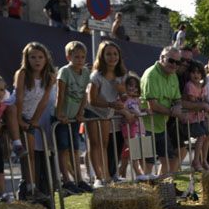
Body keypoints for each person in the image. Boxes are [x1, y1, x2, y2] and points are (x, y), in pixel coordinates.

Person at [13, 42, 57, 200]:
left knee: (30, 154)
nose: (37, 60)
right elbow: (18, 97)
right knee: (11, 108)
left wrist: (35, 120)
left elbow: (44, 101)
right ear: (27, 58)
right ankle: (15, 142)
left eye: (40, 57)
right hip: (15, 112)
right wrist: (18, 119)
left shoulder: (48, 77)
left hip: (30, 116)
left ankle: (32, 187)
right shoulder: (23, 73)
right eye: (32, 57)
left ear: (46, 59)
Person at [86, 40, 131, 187]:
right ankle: (98, 178)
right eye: (108, 54)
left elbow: (124, 96)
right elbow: (91, 100)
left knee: (104, 144)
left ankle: (106, 176)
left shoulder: (121, 75)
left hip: (107, 113)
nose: (112, 57)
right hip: (93, 111)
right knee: (95, 143)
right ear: (102, 56)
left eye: (115, 54)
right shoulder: (96, 76)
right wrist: (111, 104)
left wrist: (122, 93)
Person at [142, 46, 189, 176]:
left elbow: (177, 99)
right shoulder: (151, 74)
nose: (174, 65)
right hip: (145, 128)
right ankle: (146, 193)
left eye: (177, 62)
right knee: (148, 164)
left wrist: (178, 107)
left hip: (161, 127)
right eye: (171, 61)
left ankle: (163, 189)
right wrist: (173, 112)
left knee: (169, 160)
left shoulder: (173, 75)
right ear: (162, 58)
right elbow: (153, 106)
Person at [54, 41, 91, 194]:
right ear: (68, 57)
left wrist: (81, 112)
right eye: (76, 57)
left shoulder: (86, 72)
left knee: (75, 148)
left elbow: (84, 94)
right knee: (63, 149)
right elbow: (60, 94)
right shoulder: (64, 71)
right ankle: (67, 180)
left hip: (74, 117)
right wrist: (59, 113)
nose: (80, 60)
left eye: (82, 57)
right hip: (63, 117)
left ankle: (79, 179)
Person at [182, 60, 209, 172]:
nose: (196, 75)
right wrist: (204, 105)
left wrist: (208, 106)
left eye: (198, 73)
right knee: (201, 136)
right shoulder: (189, 86)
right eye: (193, 72)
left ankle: (204, 159)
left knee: (208, 135)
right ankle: (196, 161)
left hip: (200, 117)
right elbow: (194, 102)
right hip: (191, 118)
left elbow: (204, 101)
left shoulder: (203, 86)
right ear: (189, 74)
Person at [119, 74, 148, 181]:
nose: (133, 88)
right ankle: (138, 173)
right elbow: (122, 110)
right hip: (129, 129)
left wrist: (146, 110)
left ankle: (121, 175)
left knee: (136, 154)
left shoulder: (137, 99)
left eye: (136, 86)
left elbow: (140, 109)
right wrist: (130, 112)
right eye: (130, 85)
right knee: (133, 152)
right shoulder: (123, 99)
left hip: (140, 129)